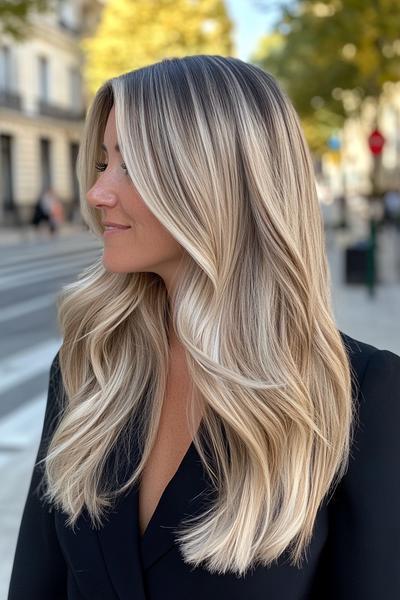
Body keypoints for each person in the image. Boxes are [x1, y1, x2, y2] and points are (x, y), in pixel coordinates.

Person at [8, 56, 400, 599]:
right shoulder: (89, 368)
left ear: (216, 182)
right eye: (102, 164)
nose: (97, 194)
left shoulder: (363, 395)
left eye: (131, 166)